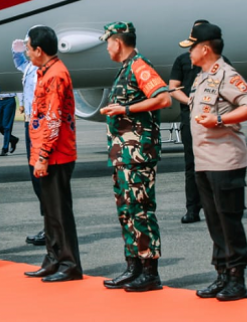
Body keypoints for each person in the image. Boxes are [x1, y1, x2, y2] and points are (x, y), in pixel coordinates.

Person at [180, 23, 247, 301]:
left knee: (229, 221)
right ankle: (222, 274)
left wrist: (219, 119)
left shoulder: (227, 74)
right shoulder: (202, 77)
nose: (188, 52)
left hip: (225, 160)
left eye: (191, 47)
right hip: (205, 161)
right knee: (214, 221)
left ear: (204, 48)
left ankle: (237, 279)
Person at [99, 22, 171, 292]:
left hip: (138, 154)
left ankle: (150, 272)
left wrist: (125, 108)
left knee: (141, 210)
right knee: (127, 212)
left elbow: (163, 98)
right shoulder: (126, 68)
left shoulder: (140, 66)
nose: (107, 48)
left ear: (117, 42)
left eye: (108, 42)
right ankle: (134, 267)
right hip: (124, 156)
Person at [23, 26, 83, 283]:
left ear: (39, 49)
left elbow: (54, 118)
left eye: (28, 47)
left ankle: (69, 263)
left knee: (59, 212)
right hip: (47, 152)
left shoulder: (56, 75)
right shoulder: (45, 72)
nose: (26, 52)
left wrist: (44, 155)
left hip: (56, 155)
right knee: (50, 212)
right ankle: (53, 257)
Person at [169, 19, 210, 224]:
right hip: (190, 118)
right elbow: (173, 87)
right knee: (191, 165)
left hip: (212, 119)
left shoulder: (220, 62)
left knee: (215, 164)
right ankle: (192, 209)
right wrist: (190, 101)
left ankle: (215, 207)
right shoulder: (183, 60)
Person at [12, 34, 45, 247]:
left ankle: (51, 229)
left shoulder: (45, 70)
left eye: (29, 47)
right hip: (29, 123)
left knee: (43, 178)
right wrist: (15, 49)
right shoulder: (30, 67)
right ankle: (48, 225)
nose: (26, 51)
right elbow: (19, 63)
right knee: (35, 177)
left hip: (39, 125)